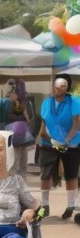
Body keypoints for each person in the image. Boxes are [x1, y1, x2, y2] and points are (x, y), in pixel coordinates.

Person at [37, 75, 80, 219]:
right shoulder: (47, 103)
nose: (58, 88)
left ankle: (70, 205)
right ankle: (44, 205)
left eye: (62, 85)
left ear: (67, 87)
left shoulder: (74, 101)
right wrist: (49, 140)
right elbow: (43, 128)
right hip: (49, 143)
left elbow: (76, 124)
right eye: (55, 85)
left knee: (71, 174)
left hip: (71, 143)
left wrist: (66, 141)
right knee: (45, 173)